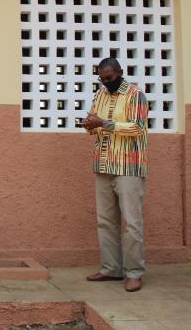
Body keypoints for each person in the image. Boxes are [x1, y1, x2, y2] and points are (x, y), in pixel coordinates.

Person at [83, 58, 148, 293]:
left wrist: (106, 123)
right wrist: (90, 125)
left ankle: (134, 273)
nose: (105, 82)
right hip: (103, 165)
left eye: (109, 78)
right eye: (101, 79)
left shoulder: (135, 94)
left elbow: (137, 127)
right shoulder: (100, 95)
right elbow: (96, 124)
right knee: (105, 221)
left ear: (120, 72)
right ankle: (111, 268)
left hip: (128, 166)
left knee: (131, 223)